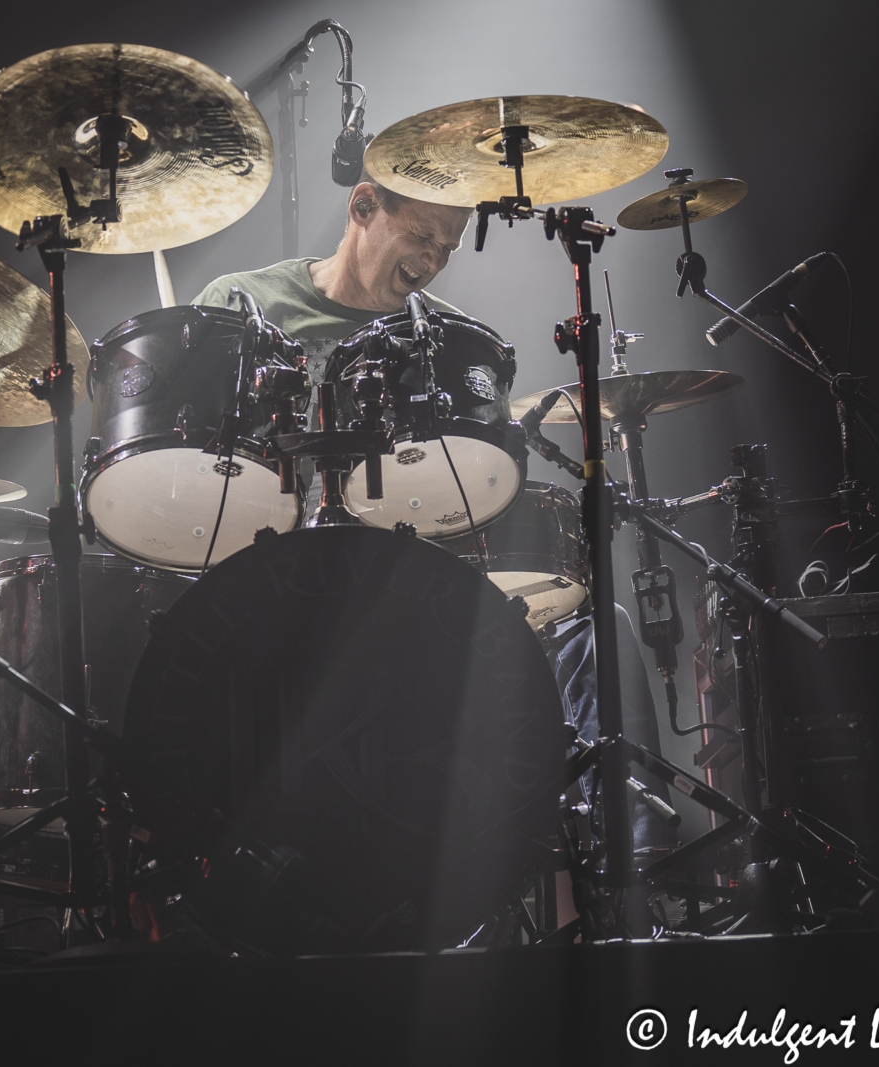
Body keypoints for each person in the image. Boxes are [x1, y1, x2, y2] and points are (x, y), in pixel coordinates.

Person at [193, 180, 676, 852]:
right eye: (421, 237)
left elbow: (483, 494)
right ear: (364, 209)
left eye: (446, 249)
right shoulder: (241, 304)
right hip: (281, 586)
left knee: (597, 627)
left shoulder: (443, 338)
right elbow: (198, 479)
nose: (432, 260)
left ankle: (636, 864)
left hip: (410, 590)